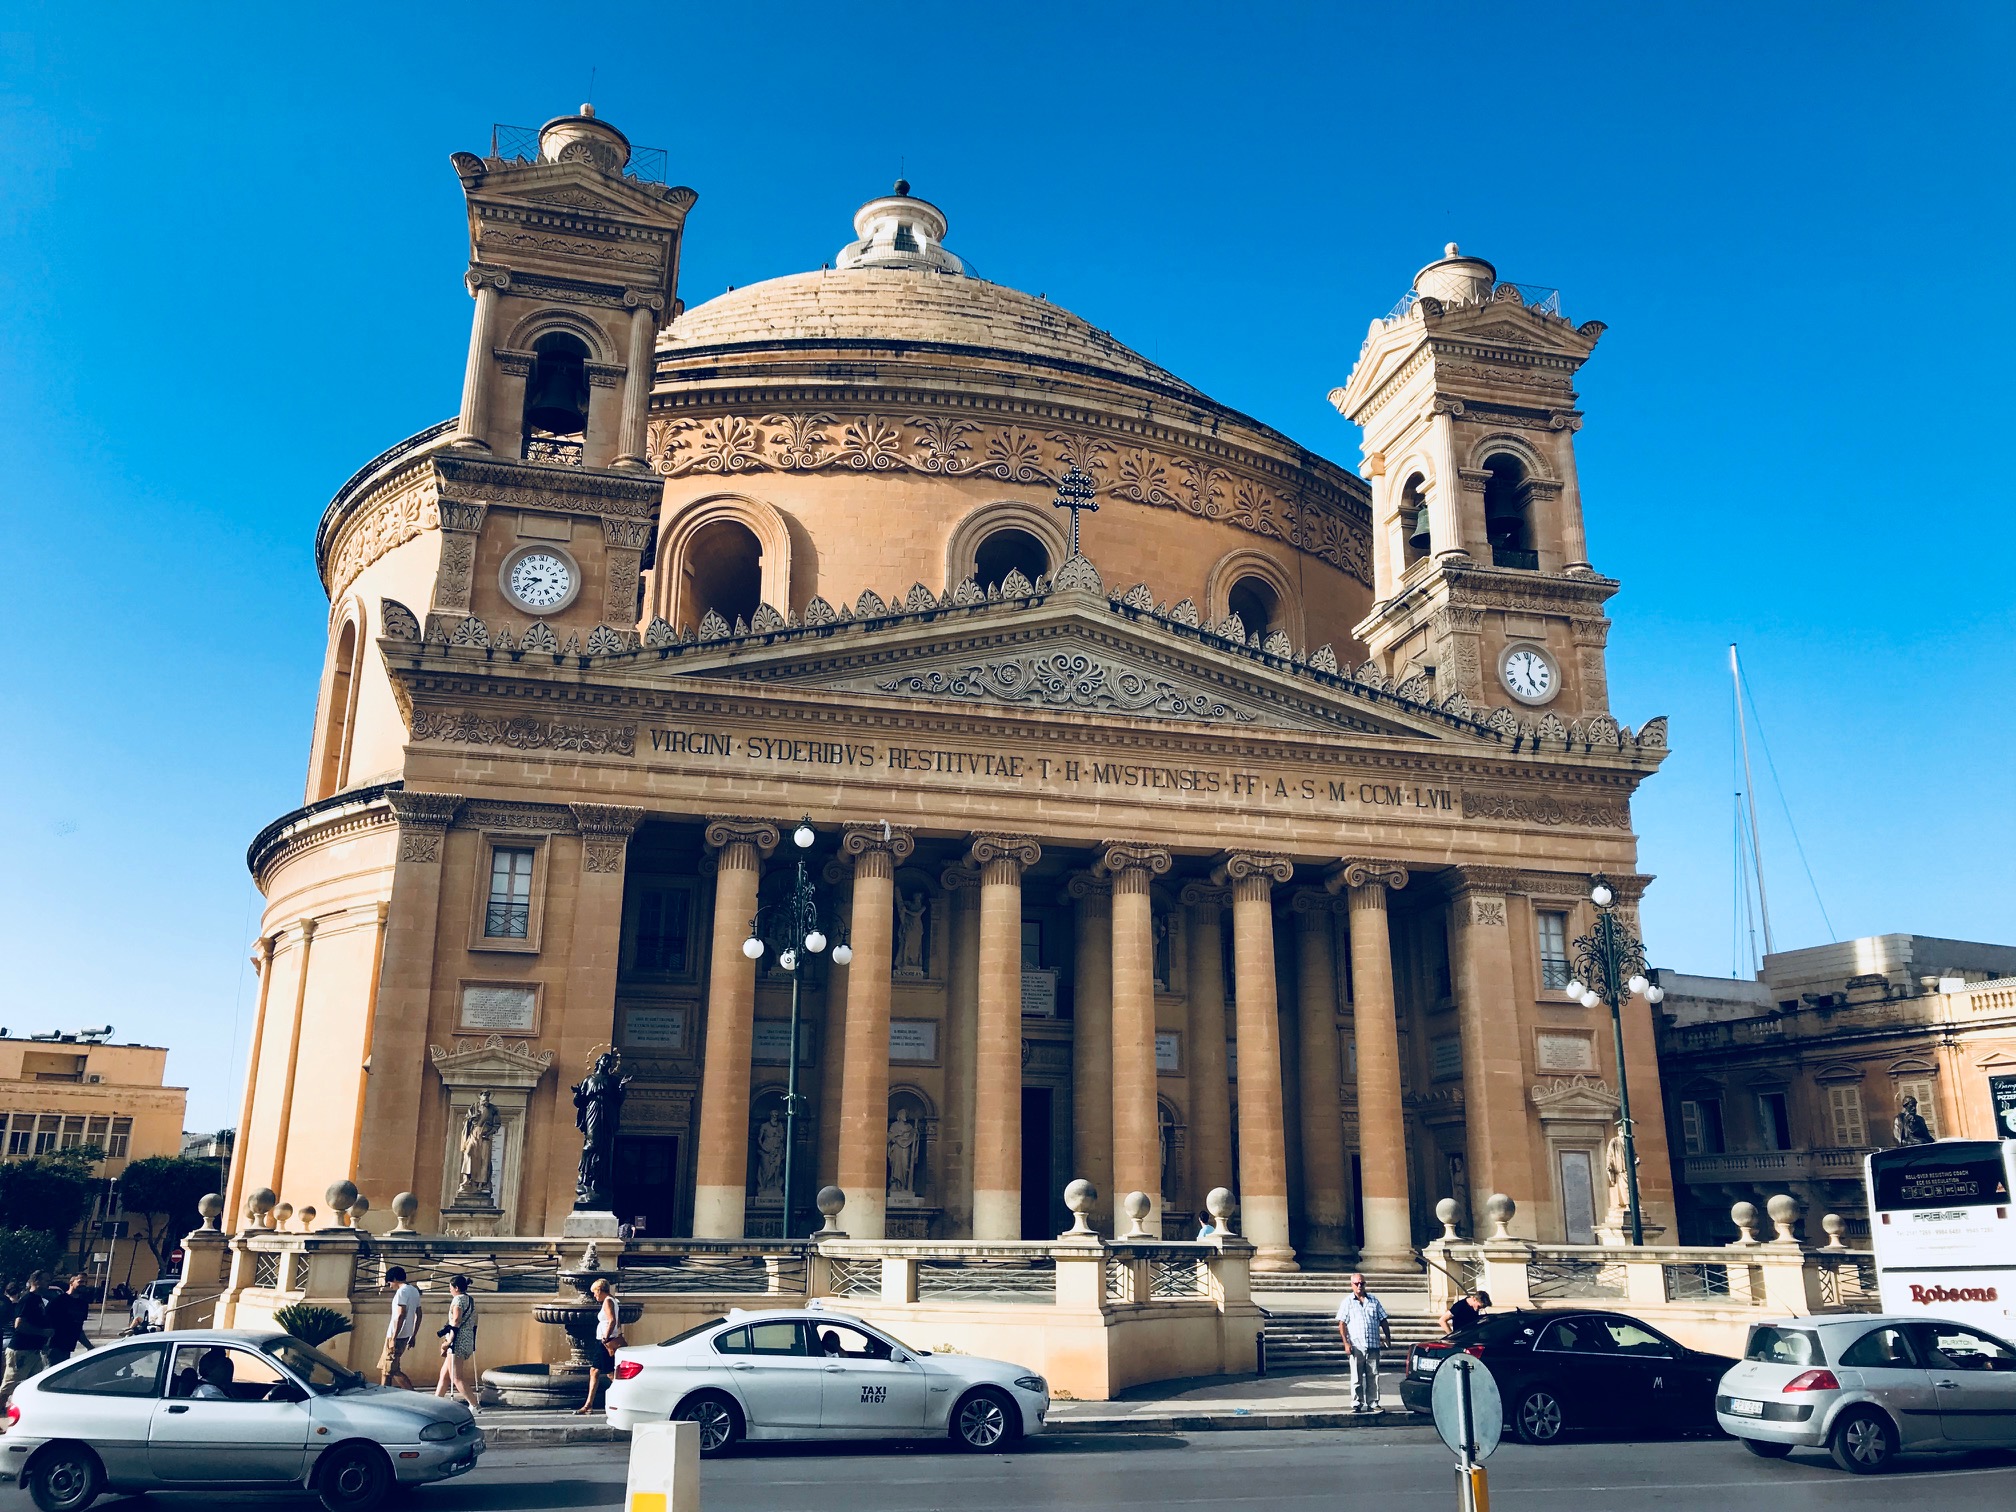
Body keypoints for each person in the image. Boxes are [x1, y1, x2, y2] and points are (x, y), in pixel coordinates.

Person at [1335, 1272, 1392, 1415]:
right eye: (1356, 1283)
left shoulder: (1373, 1300)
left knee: (1373, 1375)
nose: (1359, 1286)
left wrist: (1388, 1337)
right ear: (1351, 1285)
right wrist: (1346, 1343)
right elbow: (1342, 1324)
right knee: (1356, 1377)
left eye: (1362, 1283)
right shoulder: (1347, 1302)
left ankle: (1373, 1403)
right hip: (1356, 1345)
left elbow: (1383, 1320)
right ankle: (1356, 1403)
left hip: (1373, 1344)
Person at [2, 1273, 55, 1409]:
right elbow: (19, 1324)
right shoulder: (27, 1299)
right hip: (21, 1350)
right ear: (36, 1282)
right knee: (10, 1384)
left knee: (33, 1383)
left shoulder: (38, 1300)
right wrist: (42, 1332)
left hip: (34, 1350)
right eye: (46, 1280)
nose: (48, 1283)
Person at [434, 1275, 481, 1410]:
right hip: (467, 1340)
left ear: (456, 1288)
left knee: (456, 1378)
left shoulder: (458, 1300)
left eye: (450, 1288)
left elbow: (456, 1321)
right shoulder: (470, 1300)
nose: (450, 1291)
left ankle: (475, 1405)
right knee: (444, 1375)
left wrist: (448, 1341)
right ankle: (435, 1403)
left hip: (457, 1341)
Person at [577, 1277, 623, 1415]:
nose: (594, 1295)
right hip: (607, 1341)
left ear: (600, 1290)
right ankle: (588, 1404)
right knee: (595, 1371)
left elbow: (612, 1320)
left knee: (610, 1374)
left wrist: (605, 1337)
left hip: (605, 1342)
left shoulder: (608, 1301)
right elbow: (618, 1322)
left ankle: (622, 1400)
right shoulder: (613, 1300)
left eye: (595, 1292)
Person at [381, 1266, 423, 1389]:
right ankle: (383, 1395)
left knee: (392, 1370)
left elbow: (401, 1314)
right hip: (405, 1334)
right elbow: (419, 1314)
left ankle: (412, 1393)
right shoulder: (414, 1291)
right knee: (386, 1368)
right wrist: (413, 1335)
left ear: (394, 1279)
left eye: (389, 1282)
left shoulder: (402, 1292)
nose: (389, 1285)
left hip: (396, 1335)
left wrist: (393, 1338)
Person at [46, 1275, 92, 1364]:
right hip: (54, 1346)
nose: (84, 1284)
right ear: (71, 1283)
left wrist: (89, 1346)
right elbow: (46, 1322)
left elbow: (78, 1329)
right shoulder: (59, 1300)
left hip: (68, 1347)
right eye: (80, 1282)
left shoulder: (83, 1304)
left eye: (85, 1282)